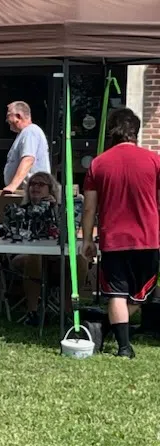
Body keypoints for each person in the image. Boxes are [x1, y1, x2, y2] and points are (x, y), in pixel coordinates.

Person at [81, 108, 160, 358]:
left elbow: (89, 208)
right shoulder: (154, 160)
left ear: (110, 132)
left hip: (113, 238)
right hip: (147, 237)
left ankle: (121, 344)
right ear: (135, 131)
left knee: (116, 292)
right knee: (140, 294)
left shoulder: (98, 163)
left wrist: (86, 240)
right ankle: (116, 334)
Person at [8, 171, 89, 326]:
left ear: (50, 189)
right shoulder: (20, 211)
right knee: (34, 256)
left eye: (40, 184)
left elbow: (68, 235)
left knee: (80, 260)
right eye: (32, 184)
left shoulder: (61, 210)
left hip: (56, 258)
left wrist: (53, 210)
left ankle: (66, 312)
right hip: (27, 256)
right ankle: (32, 313)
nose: (35, 187)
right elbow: (14, 235)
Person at [2, 101, 51, 193]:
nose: (7, 120)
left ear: (18, 116)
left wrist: (12, 186)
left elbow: (28, 159)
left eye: (8, 115)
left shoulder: (30, 131)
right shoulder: (24, 133)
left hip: (33, 194)